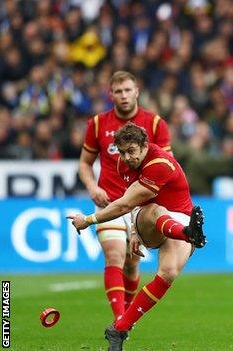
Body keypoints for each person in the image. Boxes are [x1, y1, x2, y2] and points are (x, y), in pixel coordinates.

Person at [69, 123, 206, 351]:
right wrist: (131, 229)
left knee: (168, 274)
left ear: (145, 145)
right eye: (122, 152)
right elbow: (129, 203)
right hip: (157, 220)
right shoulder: (124, 164)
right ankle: (188, 233)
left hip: (179, 218)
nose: (126, 157)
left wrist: (90, 220)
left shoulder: (159, 163)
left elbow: (126, 203)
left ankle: (118, 329)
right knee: (155, 210)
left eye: (131, 150)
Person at [79, 71, 172, 321]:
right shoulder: (98, 124)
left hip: (140, 205)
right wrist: (92, 188)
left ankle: (124, 320)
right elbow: (85, 163)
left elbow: (167, 165)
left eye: (127, 90)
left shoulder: (154, 124)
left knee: (132, 265)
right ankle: (120, 324)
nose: (123, 96)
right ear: (111, 94)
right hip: (109, 202)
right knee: (114, 254)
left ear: (137, 91)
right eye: (118, 91)